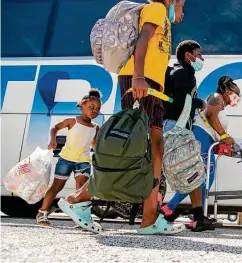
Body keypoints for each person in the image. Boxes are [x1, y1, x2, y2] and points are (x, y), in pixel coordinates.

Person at [57, 0, 186, 235]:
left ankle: (82, 200)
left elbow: (160, 35)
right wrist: (138, 78)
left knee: (148, 149)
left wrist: (176, 9)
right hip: (141, 81)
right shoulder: (156, 9)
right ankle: (147, 220)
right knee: (150, 149)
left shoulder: (163, 16)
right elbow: (142, 40)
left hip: (147, 82)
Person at [161, 76, 242, 228]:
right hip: (201, 137)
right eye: (236, 93)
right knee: (200, 178)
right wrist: (224, 135)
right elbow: (211, 116)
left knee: (204, 179)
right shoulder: (216, 97)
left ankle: (197, 217)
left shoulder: (222, 105)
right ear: (226, 91)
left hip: (207, 140)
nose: (238, 97)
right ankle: (170, 209)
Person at [160, 40, 220, 232]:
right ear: (188, 55)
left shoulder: (183, 72)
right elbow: (178, 100)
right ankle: (161, 213)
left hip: (179, 127)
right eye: (199, 54)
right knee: (190, 169)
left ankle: (198, 217)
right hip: (175, 127)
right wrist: (199, 103)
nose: (201, 58)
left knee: (194, 170)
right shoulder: (183, 72)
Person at [36, 89, 101, 226]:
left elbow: (94, 145)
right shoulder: (72, 121)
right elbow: (55, 127)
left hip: (83, 162)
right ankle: (42, 213)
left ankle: (81, 218)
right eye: (91, 107)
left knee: (81, 191)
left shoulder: (96, 127)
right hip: (66, 159)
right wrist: (52, 140)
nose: (94, 111)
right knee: (56, 187)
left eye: (97, 109)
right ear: (82, 106)